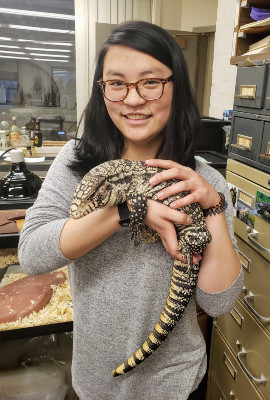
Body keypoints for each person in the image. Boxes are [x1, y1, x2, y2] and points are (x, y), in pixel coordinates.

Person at [18, 20, 242, 400]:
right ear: (101, 89)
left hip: (175, 383)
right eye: (117, 83)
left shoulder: (201, 180)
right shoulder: (77, 162)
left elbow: (217, 302)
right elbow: (32, 255)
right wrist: (126, 213)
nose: (133, 99)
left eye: (150, 82)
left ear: (176, 87)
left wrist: (215, 207)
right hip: (95, 380)